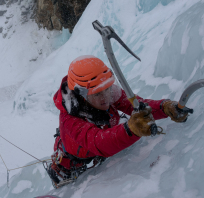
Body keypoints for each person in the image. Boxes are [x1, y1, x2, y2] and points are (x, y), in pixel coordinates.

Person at [47, 55, 188, 188]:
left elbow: (138, 105)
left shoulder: (103, 89)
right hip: (73, 159)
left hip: (99, 144)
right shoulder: (69, 120)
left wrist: (164, 107)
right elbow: (99, 142)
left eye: (107, 89)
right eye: (97, 94)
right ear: (81, 95)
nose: (105, 97)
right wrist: (131, 129)